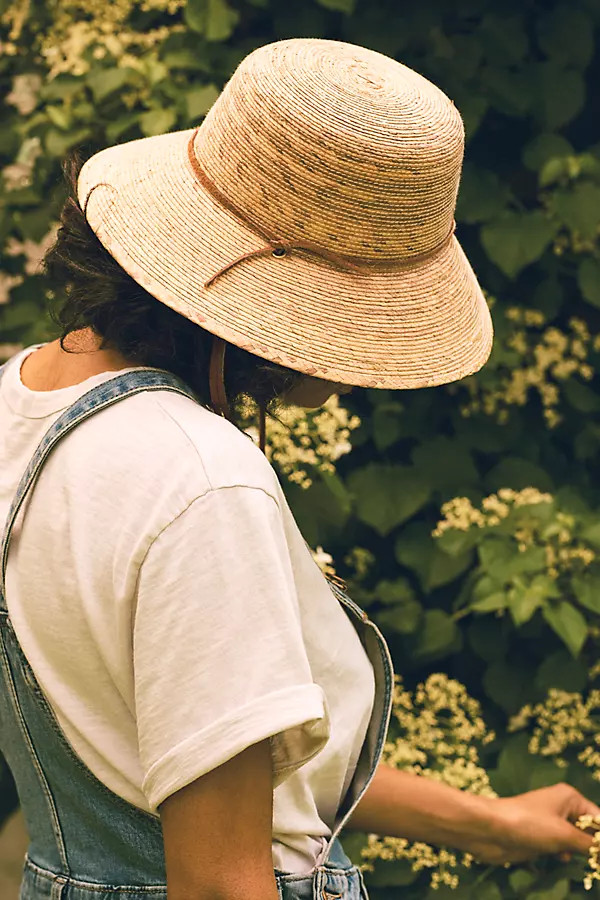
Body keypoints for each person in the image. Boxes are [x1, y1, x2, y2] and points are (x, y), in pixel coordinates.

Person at [0, 37, 597, 900]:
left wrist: (486, 821)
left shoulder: (23, 399)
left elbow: (188, 758)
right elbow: (218, 879)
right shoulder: (205, 484)